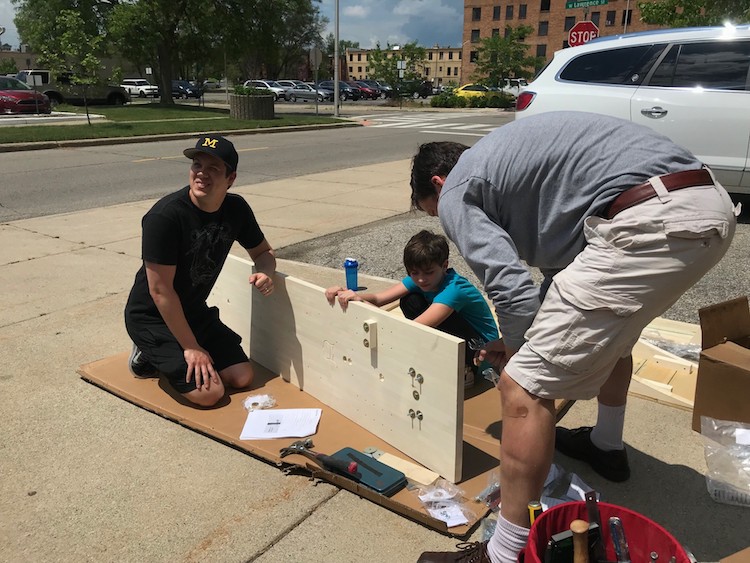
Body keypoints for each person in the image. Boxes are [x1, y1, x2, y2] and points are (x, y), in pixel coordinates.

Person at [411, 111, 737, 563]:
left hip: (650, 218)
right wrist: (527, 333)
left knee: (523, 384)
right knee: (615, 339)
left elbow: (508, 284)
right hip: (703, 206)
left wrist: (519, 350)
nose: (445, 219)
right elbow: (560, 279)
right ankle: (607, 447)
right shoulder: (520, 173)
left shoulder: (458, 190)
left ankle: (503, 555)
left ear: (438, 182)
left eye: (433, 209)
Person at [124, 134, 276, 408]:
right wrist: (192, 348)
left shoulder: (236, 209)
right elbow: (160, 291)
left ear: (231, 178)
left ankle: (179, 353)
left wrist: (266, 272)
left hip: (192, 311)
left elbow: (264, 253)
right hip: (152, 316)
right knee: (210, 394)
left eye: (213, 168)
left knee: (242, 377)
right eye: (197, 165)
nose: (202, 174)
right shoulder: (165, 217)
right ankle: (145, 354)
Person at [325, 230, 499, 387]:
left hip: (480, 349)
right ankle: (439, 359)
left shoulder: (454, 290)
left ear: (444, 266)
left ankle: (464, 368)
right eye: (414, 273)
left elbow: (415, 327)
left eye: (428, 272)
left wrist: (360, 303)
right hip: (456, 335)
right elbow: (379, 298)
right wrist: (347, 294)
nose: (421, 279)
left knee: (434, 314)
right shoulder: (420, 278)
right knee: (410, 299)